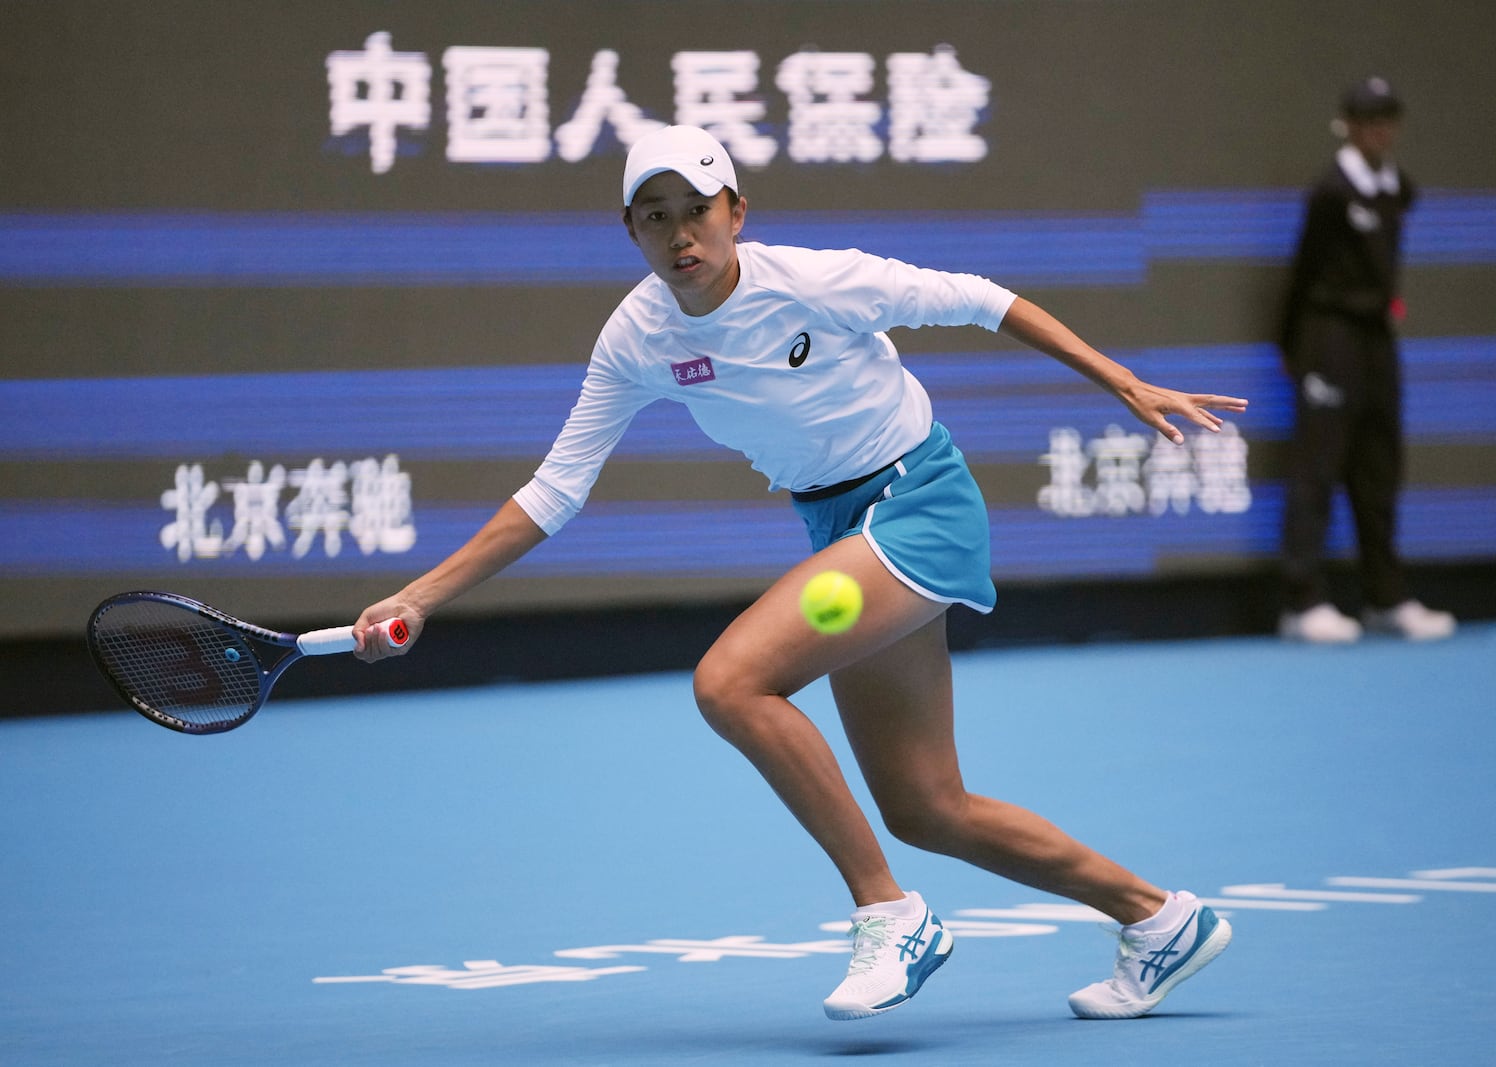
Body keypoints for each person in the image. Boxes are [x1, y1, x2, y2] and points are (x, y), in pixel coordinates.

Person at [351, 125, 1246, 1021]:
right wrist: (419, 596)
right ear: (630, 231)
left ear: (737, 212)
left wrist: (1121, 379)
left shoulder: (814, 281)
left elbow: (980, 298)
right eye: (655, 218)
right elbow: (555, 488)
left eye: (698, 211)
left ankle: (889, 913)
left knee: (730, 683)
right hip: (837, 531)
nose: (681, 235)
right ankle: (1159, 918)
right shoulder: (635, 337)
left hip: (916, 504)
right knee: (927, 806)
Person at [1276, 78, 1456, 643]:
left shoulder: (1397, 185)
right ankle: (1303, 603)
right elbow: (1303, 276)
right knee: (1318, 469)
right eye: (1368, 119)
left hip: (1378, 343)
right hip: (1329, 340)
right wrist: (1297, 350)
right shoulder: (1329, 193)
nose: (1380, 129)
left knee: (1380, 471)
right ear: (1348, 125)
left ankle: (1386, 597)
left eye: (1387, 119)